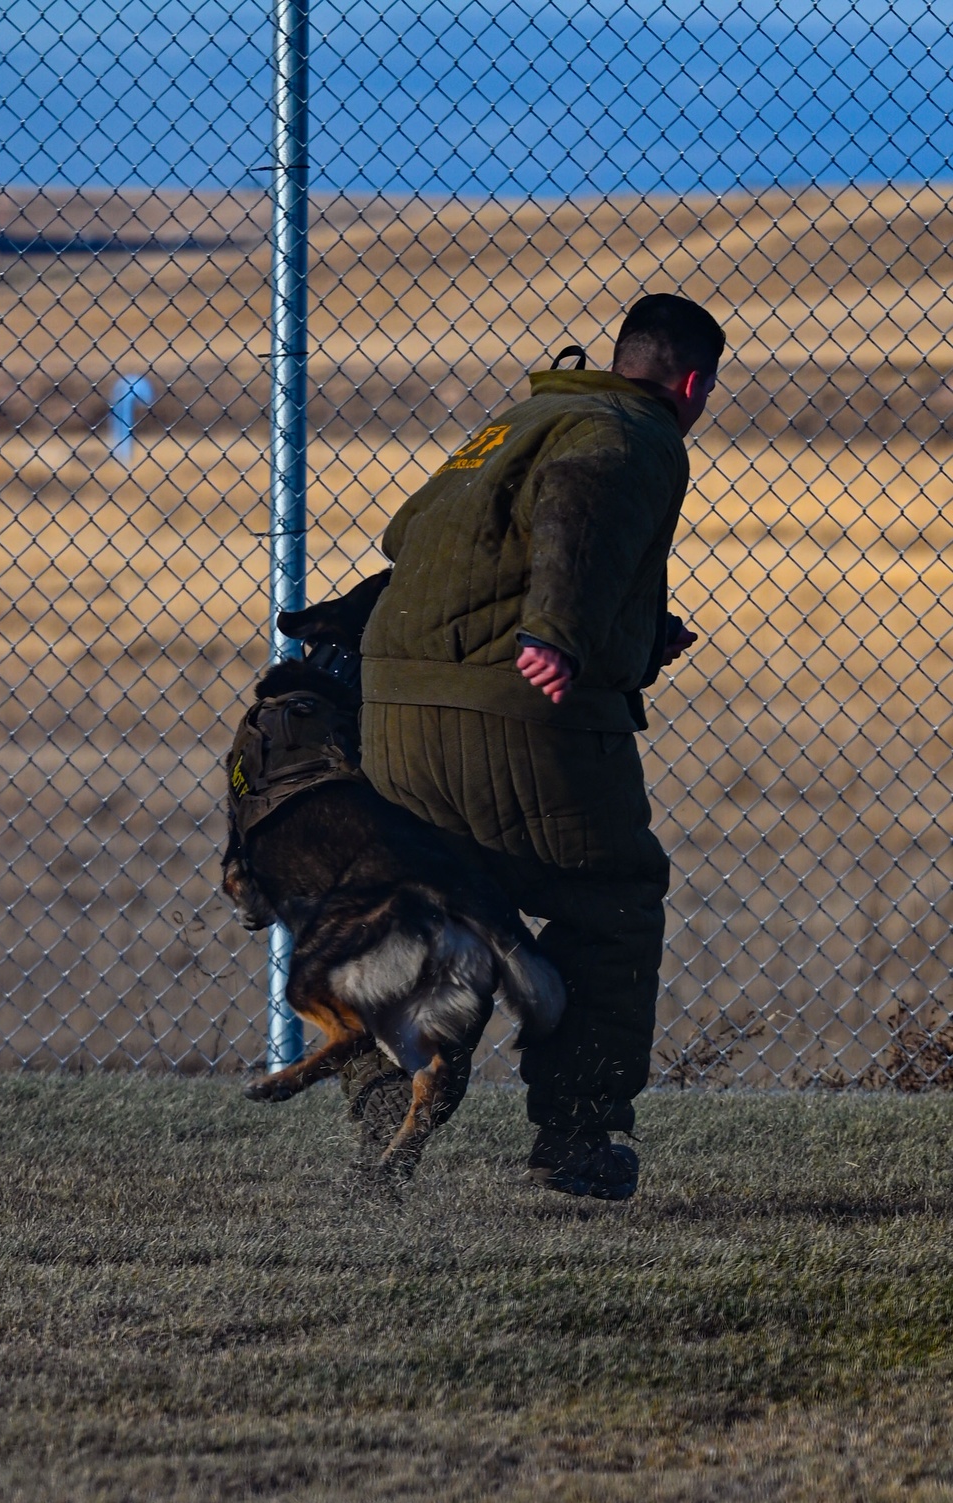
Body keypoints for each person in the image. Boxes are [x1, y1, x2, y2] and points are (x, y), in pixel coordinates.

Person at [357, 292, 726, 1199]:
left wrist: (638, 632)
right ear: (691, 381)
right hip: (514, 708)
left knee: (439, 902)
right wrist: (556, 632)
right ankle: (576, 1136)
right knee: (612, 897)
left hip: (394, 713)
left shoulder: (521, 417)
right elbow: (578, 500)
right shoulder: (637, 433)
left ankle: (378, 1113)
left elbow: (405, 534)